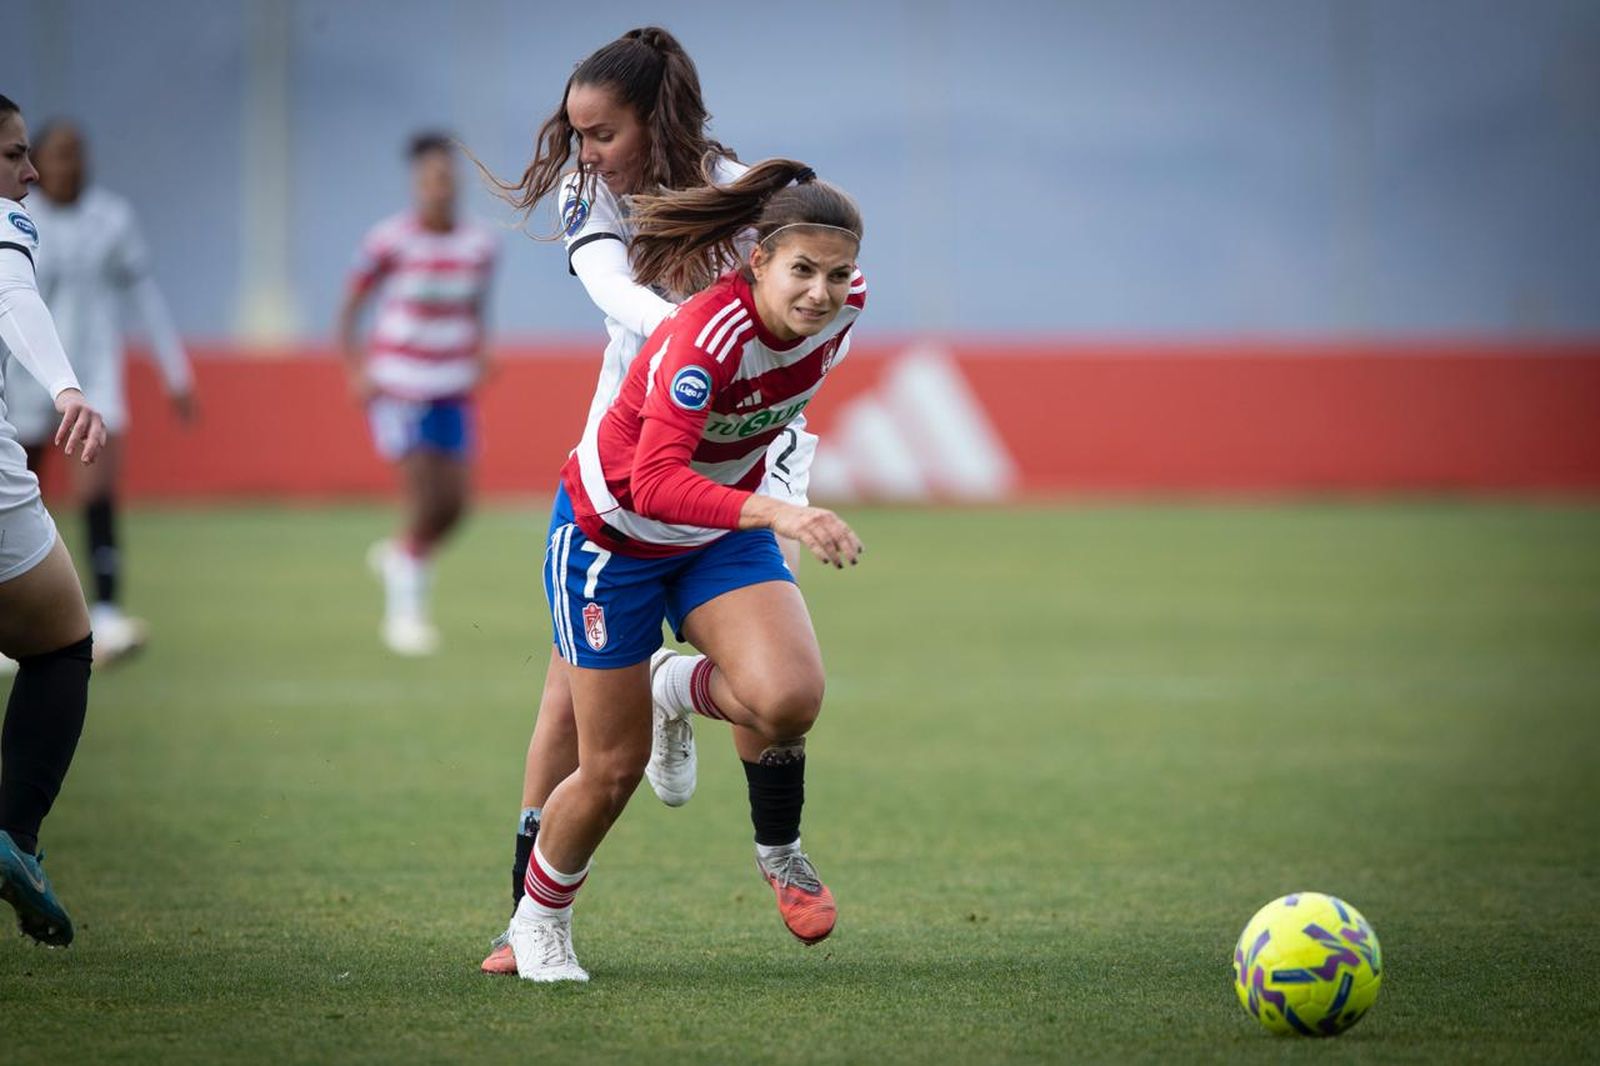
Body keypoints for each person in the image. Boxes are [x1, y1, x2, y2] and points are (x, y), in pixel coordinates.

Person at [473, 26, 827, 975]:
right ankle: (522, 918)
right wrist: (695, 338)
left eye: (603, 133)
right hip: (628, 477)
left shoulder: (745, 197)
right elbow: (609, 286)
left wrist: (781, 472)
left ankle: (769, 836)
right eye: (578, 133)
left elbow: (806, 320)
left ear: (656, 121)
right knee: (570, 715)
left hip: (739, 475)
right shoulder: (590, 191)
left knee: (780, 686)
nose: (585, 153)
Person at [0, 120, 195, 669]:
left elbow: (144, 295)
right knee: (17, 494)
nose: (69, 165)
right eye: (57, 154)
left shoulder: (112, 219)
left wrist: (176, 373)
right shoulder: (18, 216)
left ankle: (107, 611)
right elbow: (13, 299)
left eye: (77, 154)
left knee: (98, 492)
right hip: (24, 379)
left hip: (94, 378)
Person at [0, 92, 109, 947]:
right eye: (13, 155)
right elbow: (13, 298)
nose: (30, 172)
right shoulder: (8, 225)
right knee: (62, 642)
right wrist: (68, 387)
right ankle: (16, 838)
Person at [338, 132, 497, 656]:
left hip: (453, 384)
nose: (439, 187)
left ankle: (400, 557)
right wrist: (356, 368)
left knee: (455, 506)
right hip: (401, 384)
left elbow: (476, 305)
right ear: (416, 184)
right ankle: (404, 616)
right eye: (429, 179)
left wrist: (480, 349)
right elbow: (351, 307)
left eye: (446, 177)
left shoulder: (479, 244)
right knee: (422, 497)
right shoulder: (389, 241)